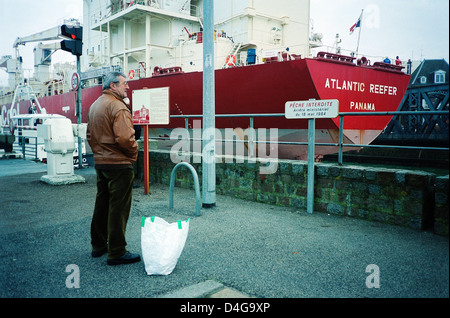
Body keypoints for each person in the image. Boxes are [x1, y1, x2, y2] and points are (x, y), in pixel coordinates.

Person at [87, 71, 140, 265]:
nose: (127, 87)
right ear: (113, 86)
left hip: (101, 163)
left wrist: (100, 155)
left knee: (102, 204)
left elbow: (90, 136)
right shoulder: (118, 106)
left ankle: (98, 245)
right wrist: (133, 153)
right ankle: (117, 251)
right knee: (118, 207)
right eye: (124, 83)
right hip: (119, 164)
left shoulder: (95, 106)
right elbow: (125, 138)